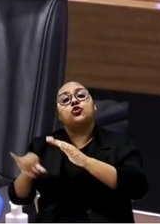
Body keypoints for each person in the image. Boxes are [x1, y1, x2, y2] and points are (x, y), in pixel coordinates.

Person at [8, 82, 148, 222]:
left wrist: (85, 161)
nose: (74, 101)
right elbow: (20, 197)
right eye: (65, 100)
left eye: (81, 95)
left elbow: (137, 187)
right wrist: (26, 174)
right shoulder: (44, 145)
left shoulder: (119, 143)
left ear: (94, 106)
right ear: (59, 116)